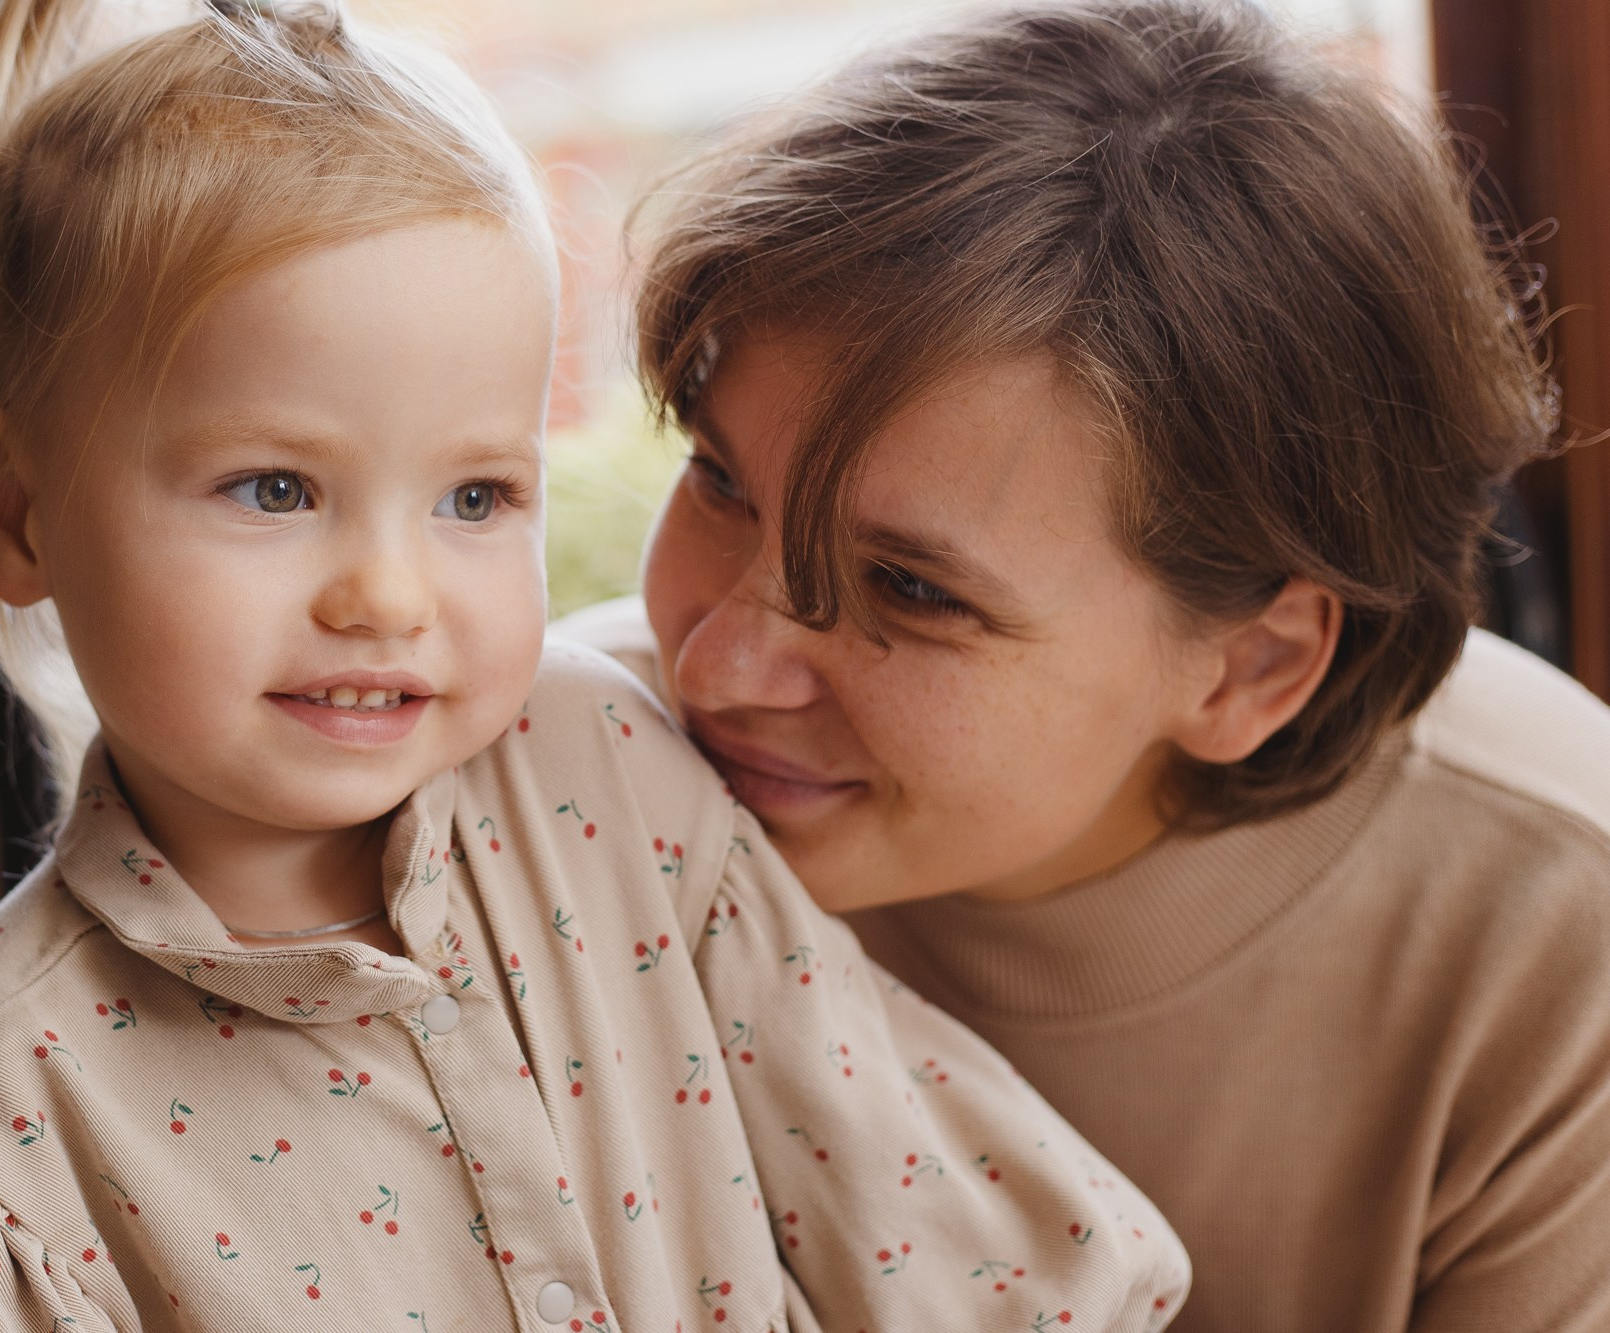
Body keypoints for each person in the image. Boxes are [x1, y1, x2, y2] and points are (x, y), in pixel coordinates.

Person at [0, 2, 1192, 1329]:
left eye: (475, 498)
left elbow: (954, 1254)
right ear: (18, 516)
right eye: (271, 489)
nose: (386, 593)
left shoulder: (614, 778)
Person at [564, 1, 1610, 1329]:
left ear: (1251, 667)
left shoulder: (1558, 918)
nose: (717, 665)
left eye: (913, 590)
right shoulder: (563, 781)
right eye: (717, 478)